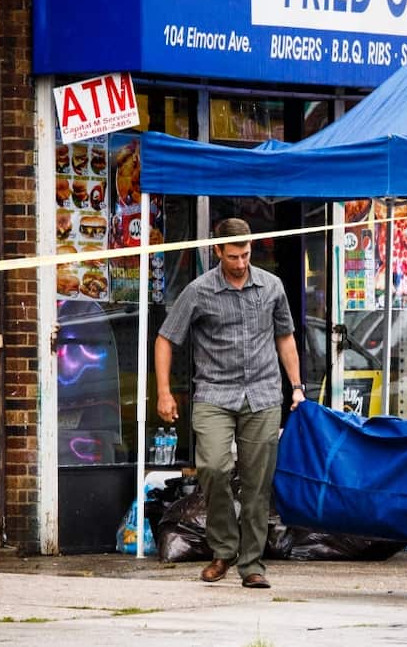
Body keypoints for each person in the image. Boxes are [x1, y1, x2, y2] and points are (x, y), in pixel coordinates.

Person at [153, 217, 303, 590]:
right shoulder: (199, 291)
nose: (240, 263)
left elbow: (285, 338)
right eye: (233, 256)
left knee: (257, 483)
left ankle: (252, 564)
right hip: (215, 394)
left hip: (264, 395)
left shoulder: (271, 287)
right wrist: (164, 391)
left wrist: (297, 387)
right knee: (215, 468)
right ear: (216, 250)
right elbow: (165, 339)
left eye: (246, 254)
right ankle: (223, 548)